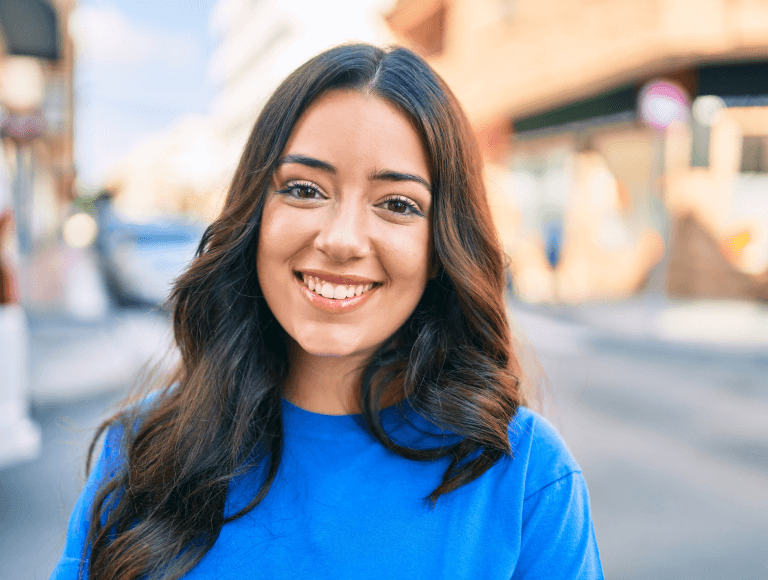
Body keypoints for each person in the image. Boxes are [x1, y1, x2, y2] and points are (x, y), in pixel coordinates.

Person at [50, 43, 603, 580]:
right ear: (255, 218)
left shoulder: (525, 476)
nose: (341, 240)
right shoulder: (144, 452)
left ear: (440, 249)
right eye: (305, 190)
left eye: (397, 205)